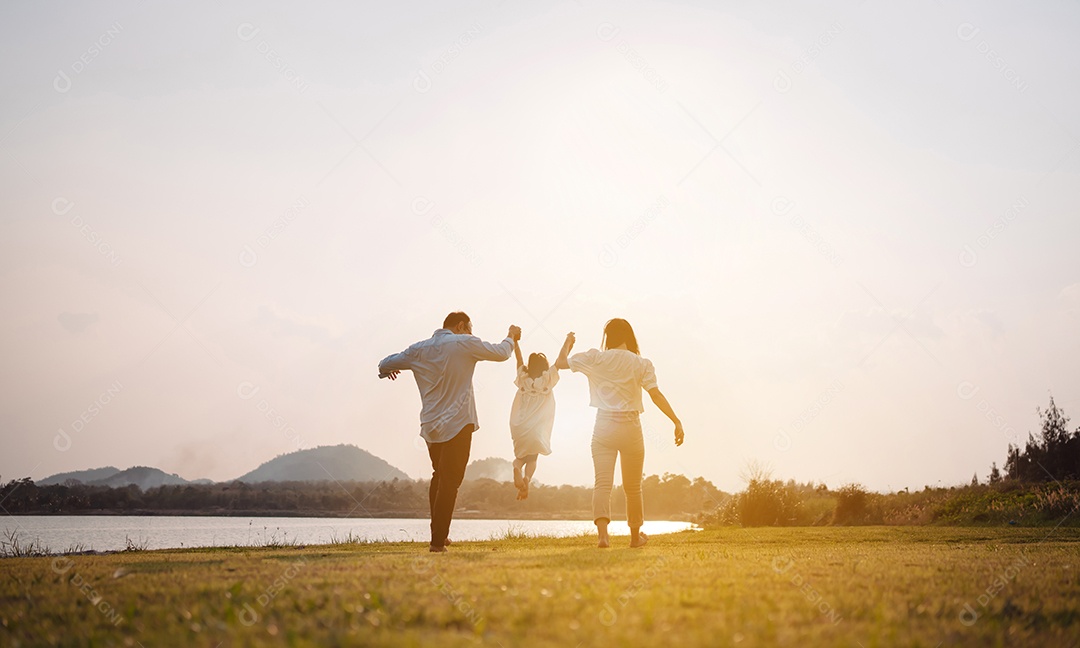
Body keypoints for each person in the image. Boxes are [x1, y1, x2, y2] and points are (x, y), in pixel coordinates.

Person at [379, 312, 521, 552]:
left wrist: (389, 370)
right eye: (470, 329)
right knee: (450, 481)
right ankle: (437, 542)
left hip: (431, 425)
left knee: (440, 475)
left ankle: (439, 534)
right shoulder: (465, 342)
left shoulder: (418, 349)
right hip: (458, 423)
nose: (472, 333)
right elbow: (501, 353)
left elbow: (384, 363)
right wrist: (511, 336)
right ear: (461, 325)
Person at [556, 318, 684, 549]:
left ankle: (603, 537)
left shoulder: (596, 357)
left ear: (608, 337)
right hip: (630, 426)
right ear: (629, 336)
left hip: (604, 425)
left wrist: (568, 342)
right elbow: (655, 395)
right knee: (633, 487)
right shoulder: (641, 363)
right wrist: (675, 421)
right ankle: (635, 538)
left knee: (602, 484)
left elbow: (560, 363)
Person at [509, 333, 574, 500]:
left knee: (519, 458)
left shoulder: (523, 377)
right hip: (536, 429)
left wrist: (515, 341)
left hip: (520, 426)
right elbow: (562, 359)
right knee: (533, 458)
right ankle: (527, 478)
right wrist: (568, 342)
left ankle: (517, 469)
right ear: (544, 366)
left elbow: (518, 358)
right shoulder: (547, 379)